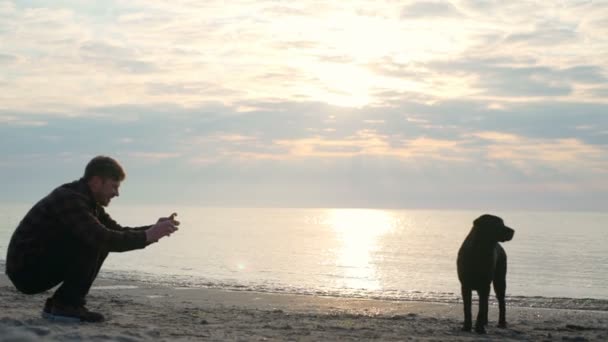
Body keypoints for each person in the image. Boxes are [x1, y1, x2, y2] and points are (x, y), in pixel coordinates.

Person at [5, 156, 180, 323]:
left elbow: (116, 231)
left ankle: (60, 305)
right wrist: (149, 235)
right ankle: (66, 305)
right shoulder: (69, 199)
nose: (116, 193)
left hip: (37, 265)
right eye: (114, 186)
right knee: (95, 240)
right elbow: (103, 237)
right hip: (26, 271)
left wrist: (153, 229)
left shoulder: (87, 201)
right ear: (96, 182)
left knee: (98, 238)